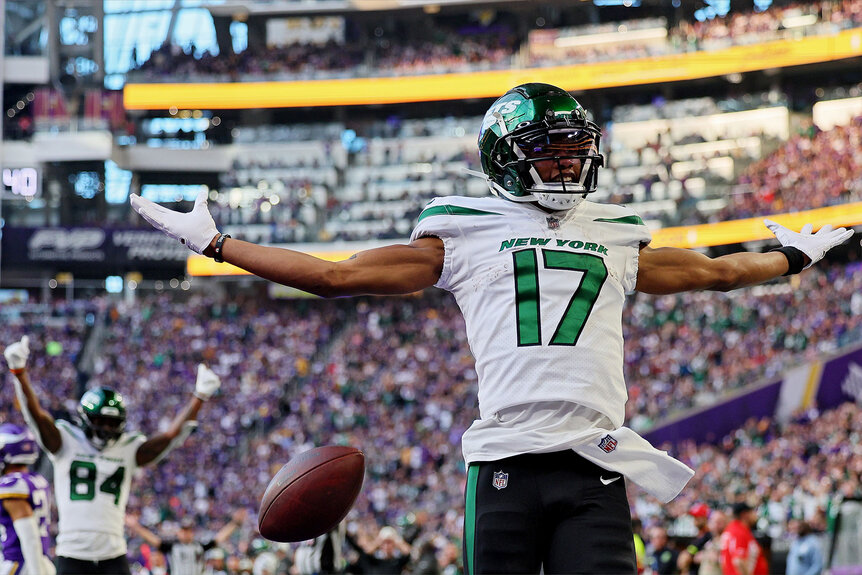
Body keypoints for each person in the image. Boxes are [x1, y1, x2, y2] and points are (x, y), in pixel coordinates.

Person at [130, 83, 853, 574]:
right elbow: (335, 275)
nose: (570, 163)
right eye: (552, 151)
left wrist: (790, 256)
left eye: (576, 150)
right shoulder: (464, 233)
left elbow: (715, 274)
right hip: (506, 459)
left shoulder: (615, 233)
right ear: (508, 159)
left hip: (596, 461)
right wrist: (218, 245)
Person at [3, 336, 222, 575]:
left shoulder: (128, 447)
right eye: (100, 421)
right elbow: (36, 416)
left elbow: (169, 437)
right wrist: (20, 373)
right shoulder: (66, 441)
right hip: (73, 551)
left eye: (111, 422)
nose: (106, 428)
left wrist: (199, 397)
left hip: (113, 552)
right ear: (85, 418)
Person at [0, 424, 54, 575]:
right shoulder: (36, 480)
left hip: (22, 564)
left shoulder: (12, 486)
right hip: (40, 560)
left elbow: (29, 537)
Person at [125, 510, 247, 575]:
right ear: (179, 532)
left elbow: (218, 538)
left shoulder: (199, 546)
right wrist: (136, 527)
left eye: (188, 530)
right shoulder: (173, 546)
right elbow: (154, 540)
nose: (186, 533)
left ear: (192, 532)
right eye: (183, 530)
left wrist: (234, 523)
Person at [720, 503, 768, 575]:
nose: (755, 515)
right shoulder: (739, 531)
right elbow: (739, 561)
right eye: (752, 512)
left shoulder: (732, 528)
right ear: (745, 514)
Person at [679, 503, 712, 575]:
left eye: (697, 517)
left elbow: (685, 560)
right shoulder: (698, 536)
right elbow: (683, 561)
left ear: (705, 518)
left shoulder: (710, 536)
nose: (694, 520)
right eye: (694, 517)